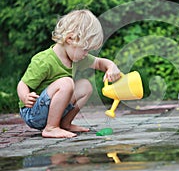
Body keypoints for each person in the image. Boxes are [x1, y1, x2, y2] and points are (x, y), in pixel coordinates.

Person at [17, 9, 121, 138]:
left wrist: (112, 67)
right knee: (66, 82)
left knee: (86, 85)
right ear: (70, 39)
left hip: (51, 110)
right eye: (85, 49)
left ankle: (65, 123)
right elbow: (22, 83)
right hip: (33, 112)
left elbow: (100, 63)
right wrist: (25, 97)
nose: (86, 54)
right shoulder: (44, 61)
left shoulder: (76, 57)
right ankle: (51, 128)